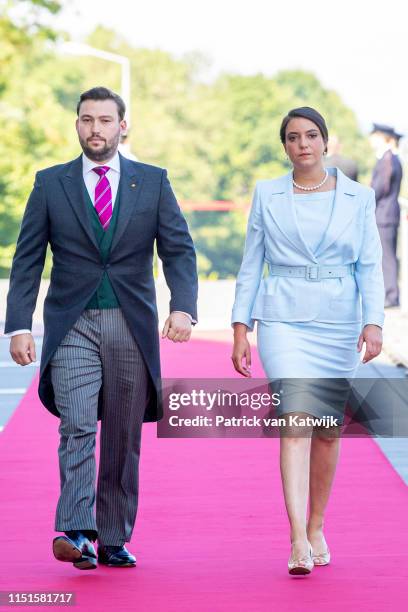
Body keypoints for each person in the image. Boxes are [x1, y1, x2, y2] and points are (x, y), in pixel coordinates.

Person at [4, 86, 198, 570]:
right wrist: (18, 326)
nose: (96, 129)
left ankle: (112, 536)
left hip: (131, 323)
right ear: (77, 126)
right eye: (87, 120)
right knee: (76, 424)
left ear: (122, 126)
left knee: (122, 434)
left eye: (105, 120)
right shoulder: (51, 184)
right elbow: (28, 258)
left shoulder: (153, 182)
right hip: (72, 323)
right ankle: (76, 530)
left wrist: (183, 308)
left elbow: (178, 249)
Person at [231, 107, 384, 576]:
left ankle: (317, 524)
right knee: (295, 422)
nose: (303, 145)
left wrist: (373, 322)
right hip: (282, 321)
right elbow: (251, 262)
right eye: (294, 137)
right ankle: (297, 536)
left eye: (311, 136)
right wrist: (242, 326)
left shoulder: (358, 197)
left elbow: (370, 265)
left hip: (339, 322)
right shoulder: (267, 193)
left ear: (325, 141)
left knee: (327, 429)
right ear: (285, 146)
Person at [370, 123, 403, 307]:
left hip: (385, 214)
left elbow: (381, 187)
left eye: (376, 136)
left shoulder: (388, 158)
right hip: (387, 214)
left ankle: (391, 296)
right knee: (386, 256)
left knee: (387, 257)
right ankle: (390, 294)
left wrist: (366, 198)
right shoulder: (390, 158)